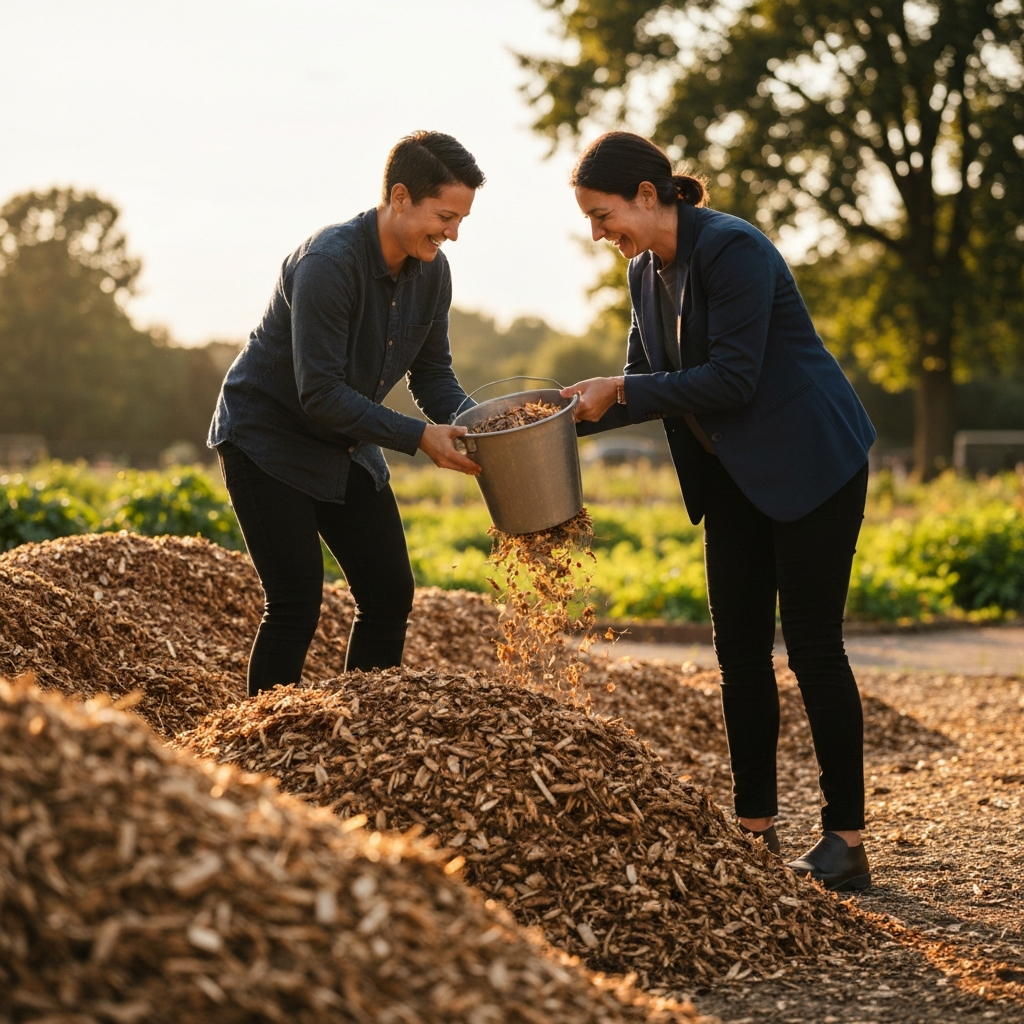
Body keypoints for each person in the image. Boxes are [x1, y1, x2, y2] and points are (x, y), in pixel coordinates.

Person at [560, 131, 876, 892]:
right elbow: (643, 381)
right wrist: (551, 416)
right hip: (733, 475)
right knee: (736, 650)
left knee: (811, 647)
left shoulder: (733, 249)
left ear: (648, 193)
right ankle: (754, 831)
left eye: (603, 216)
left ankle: (847, 841)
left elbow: (730, 379)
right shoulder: (645, 274)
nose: (600, 235)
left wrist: (622, 389)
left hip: (812, 464)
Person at [208, 131, 483, 698]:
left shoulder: (433, 271)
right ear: (400, 197)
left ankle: (360, 738)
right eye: (445, 216)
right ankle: (261, 756)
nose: (453, 233)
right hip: (267, 439)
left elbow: (431, 376)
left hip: (345, 442)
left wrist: (488, 427)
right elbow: (321, 393)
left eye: (461, 220)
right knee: (295, 600)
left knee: (388, 594)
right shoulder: (329, 262)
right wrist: (419, 437)